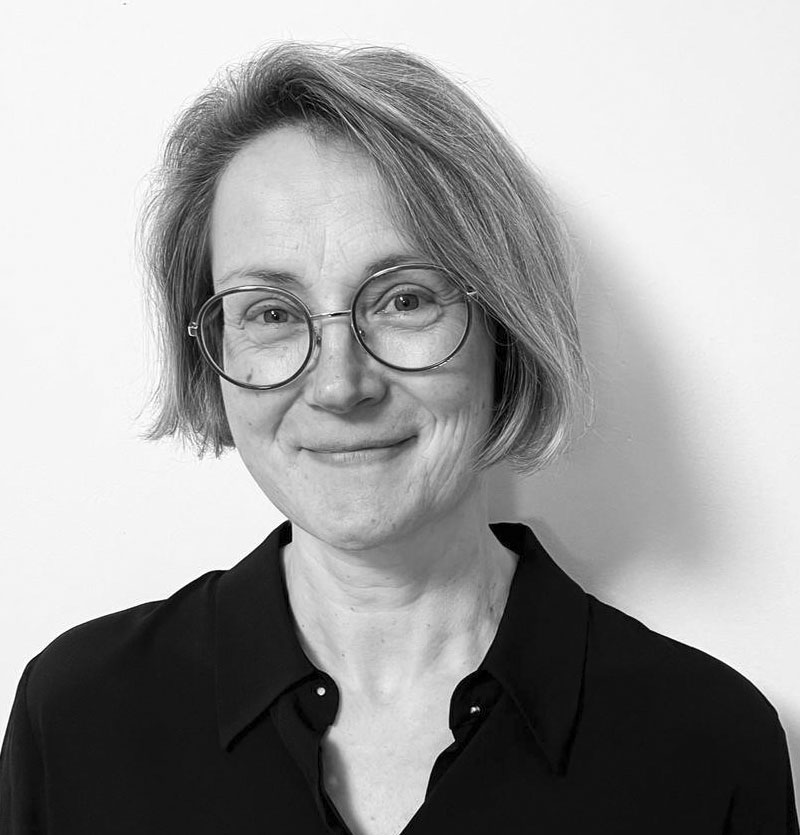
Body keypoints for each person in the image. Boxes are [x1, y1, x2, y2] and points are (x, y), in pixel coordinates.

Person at [0, 41, 797, 835]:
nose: (340, 385)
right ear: (213, 356)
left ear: (504, 328)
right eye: (271, 313)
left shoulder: (708, 750)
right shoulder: (74, 719)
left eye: (404, 299)